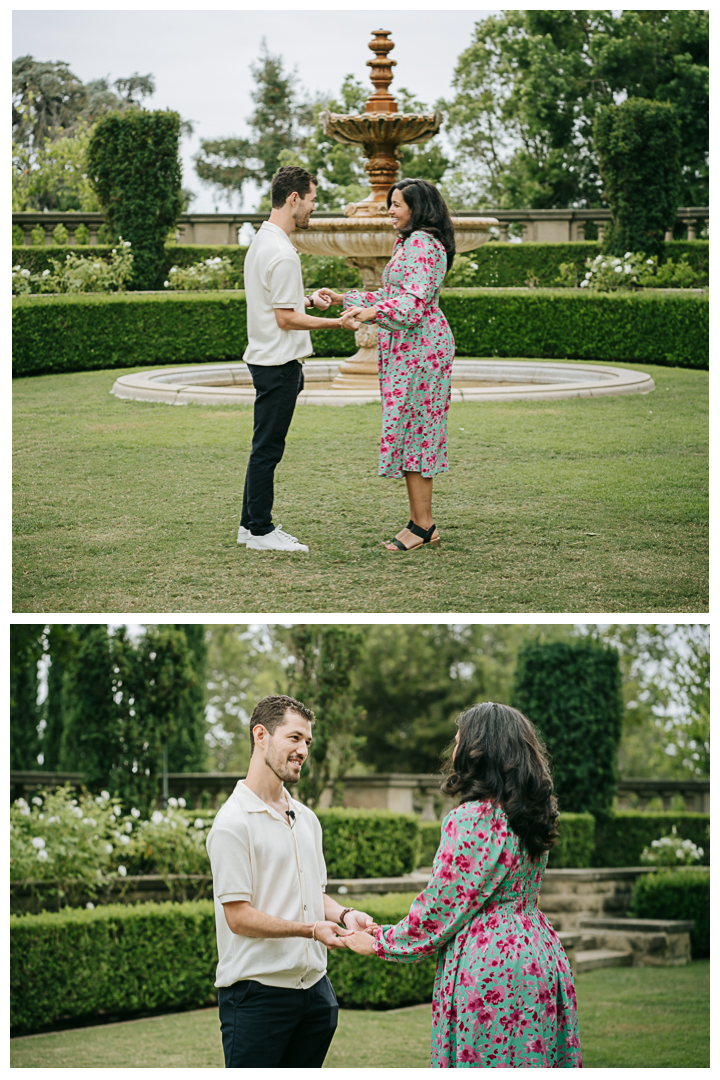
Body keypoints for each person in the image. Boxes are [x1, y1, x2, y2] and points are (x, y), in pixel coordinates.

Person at [343, 702, 583, 1068]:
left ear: (477, 750)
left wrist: (380, 942)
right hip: (539, 954)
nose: (453, 749)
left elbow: (439, 908)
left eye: (458, 740)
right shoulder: (531, 814)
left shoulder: (473, 819)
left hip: (491, 965)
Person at [206, 694, 375, 1068]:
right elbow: (238, 916)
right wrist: (312, 929)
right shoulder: (233, 823)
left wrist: (345, 914)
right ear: (261, 735)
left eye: (308, 743)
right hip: (257, 1000)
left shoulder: (306, 818)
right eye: (295, 738)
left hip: (317, 996)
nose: (303, 751)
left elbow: (315, 895)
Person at [323, 178, 456, 551]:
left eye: (397, 204)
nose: (390, 211)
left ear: (419, 208)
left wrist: (370, 313)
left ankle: (424, 525)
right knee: (411, 431)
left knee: (418, 433)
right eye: (390, 204)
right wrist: (343, 298)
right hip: (407, 348)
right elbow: (392, 295)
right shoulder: (408, 244)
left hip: (422, 350)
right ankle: (419, 522)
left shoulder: (423, 245)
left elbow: (412, 305)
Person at [239, 166, 359, 552]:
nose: (312, 210)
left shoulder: (264, 242)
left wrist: (308, 300)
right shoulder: (283, 252)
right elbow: (285, 319)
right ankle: (260, 530)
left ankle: (249, 525)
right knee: (267, 451)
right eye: (311, 201)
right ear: (294, 199)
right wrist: (337, 322)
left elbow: (280, 302)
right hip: (277, 366)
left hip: (266, 360)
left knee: (263, 448)